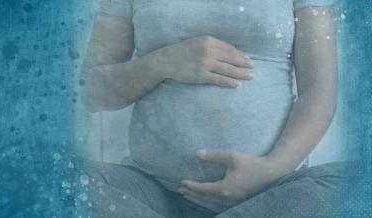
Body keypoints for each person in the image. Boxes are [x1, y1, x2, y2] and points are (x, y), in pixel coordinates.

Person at [81, 0, 353, 217]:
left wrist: (271, 169)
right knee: (58, 175)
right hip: (152, 192)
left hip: (272, 195)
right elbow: (92, 92)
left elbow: (319, 91)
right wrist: (162, 63)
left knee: (371, 180)